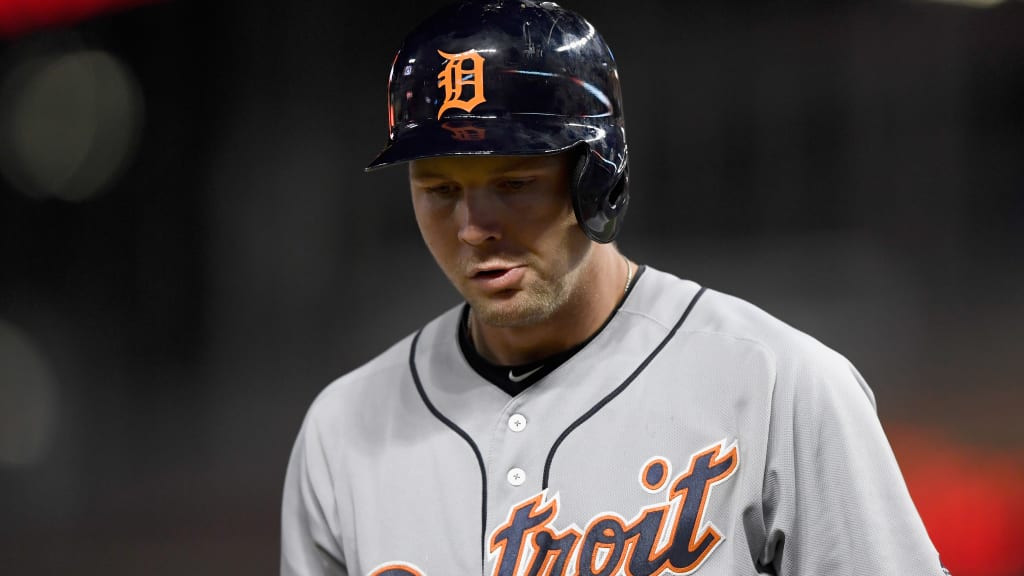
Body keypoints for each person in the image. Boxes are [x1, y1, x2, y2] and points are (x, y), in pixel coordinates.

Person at [281, 1, 947, 574]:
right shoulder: (344, 431)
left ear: (599, 178)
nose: (474, 228)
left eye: (514, 185)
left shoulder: (779, 385)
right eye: (440, 190)